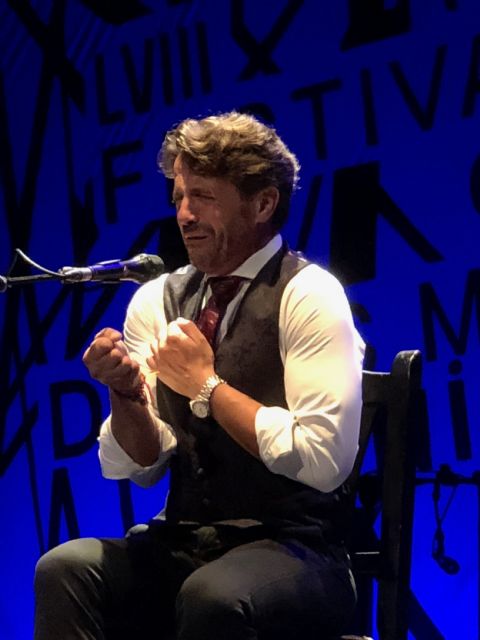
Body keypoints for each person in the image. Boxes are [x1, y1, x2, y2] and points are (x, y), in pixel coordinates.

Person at [34, 111, 365, 640]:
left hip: (299, 547)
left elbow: (324, 462)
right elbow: (141, 465)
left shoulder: (309, 294)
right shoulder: (158, 300)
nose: (184, 215)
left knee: (212, 597)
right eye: (179, 198)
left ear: (263, 204)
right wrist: (126, 393)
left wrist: (207, 388)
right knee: (66, 569)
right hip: (187, 540)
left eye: (204, 197)